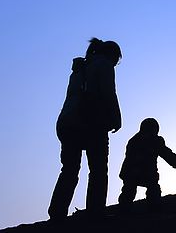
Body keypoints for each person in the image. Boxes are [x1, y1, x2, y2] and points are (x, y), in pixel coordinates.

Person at [48, 38, 122, 219]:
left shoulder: (79, 69)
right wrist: (116, 118)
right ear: (112, 55)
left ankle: (57, 213)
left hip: (67, 123)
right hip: (92, 123)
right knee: (98, 170)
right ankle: (95, 212)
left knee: (69, 170)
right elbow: (107, 93)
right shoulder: (104, 65)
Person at [117, 117, 176, 209]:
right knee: (145, 188)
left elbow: (165, 152)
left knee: (132, 189)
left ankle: (126, 207)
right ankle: (150, 206)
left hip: (135, 172)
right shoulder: (150, 140)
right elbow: (165, 152)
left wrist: (175, 161)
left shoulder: (135, 140)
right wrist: (175, 161)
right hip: (139, 172)